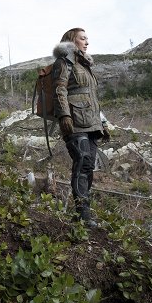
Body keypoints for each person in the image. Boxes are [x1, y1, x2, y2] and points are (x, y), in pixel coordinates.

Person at [52, 27, 109, 228]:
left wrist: (102, 123)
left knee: (88, 166)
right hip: (74, 121)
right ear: (72, 40)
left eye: (87, 38)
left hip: (91, 122)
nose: (87, 42)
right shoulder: (64, 61)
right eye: (82, 38)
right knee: (82, 160)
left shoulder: (85, 66)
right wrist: (64, 115)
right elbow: (59, 89)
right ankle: (82, 213)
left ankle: (83, 213)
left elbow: (92, 98)